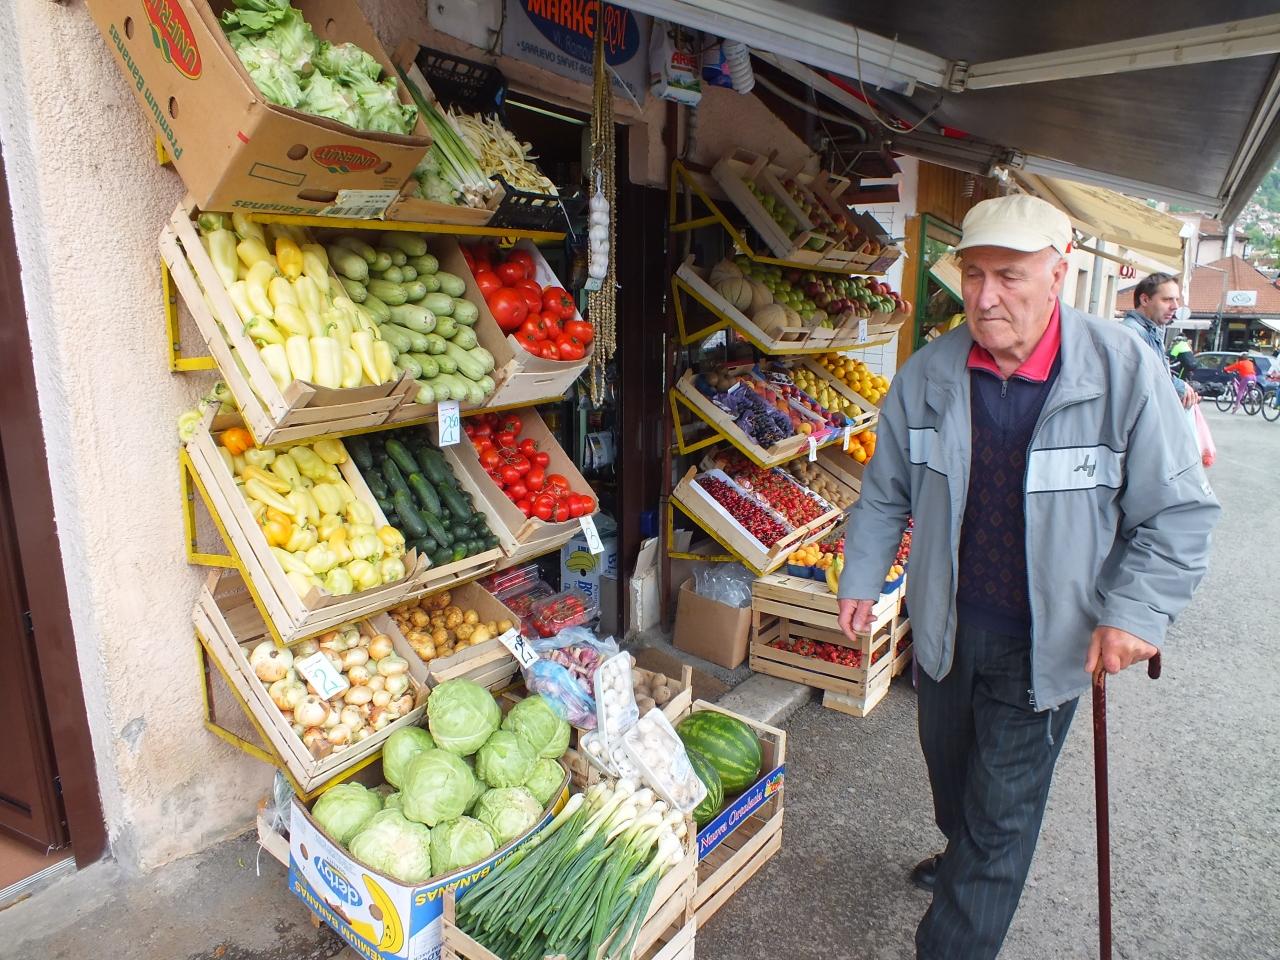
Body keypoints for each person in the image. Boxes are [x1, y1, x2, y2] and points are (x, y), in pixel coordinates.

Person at [837, 194, 1220, 960]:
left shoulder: (1121, 372)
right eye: (974, 274)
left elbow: (1179, 512)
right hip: (944, 634)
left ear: (1058, 271)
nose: (985, 297)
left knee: (1001, 818)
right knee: (956, 789)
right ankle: (963, 850)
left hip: (1049, 645)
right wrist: (861, 576)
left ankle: (957, 927)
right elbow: (885, 490)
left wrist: (1137, 612)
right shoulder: (929, 374)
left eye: (1009, 276)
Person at [1122, 272, 1200, 408]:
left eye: (1176, 300)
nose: (1175, 306)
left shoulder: (1151, 331)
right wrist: (1180, 387)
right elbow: (1142, 382)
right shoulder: (1132, 333)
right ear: (1145, 300)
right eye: (1167, 299)